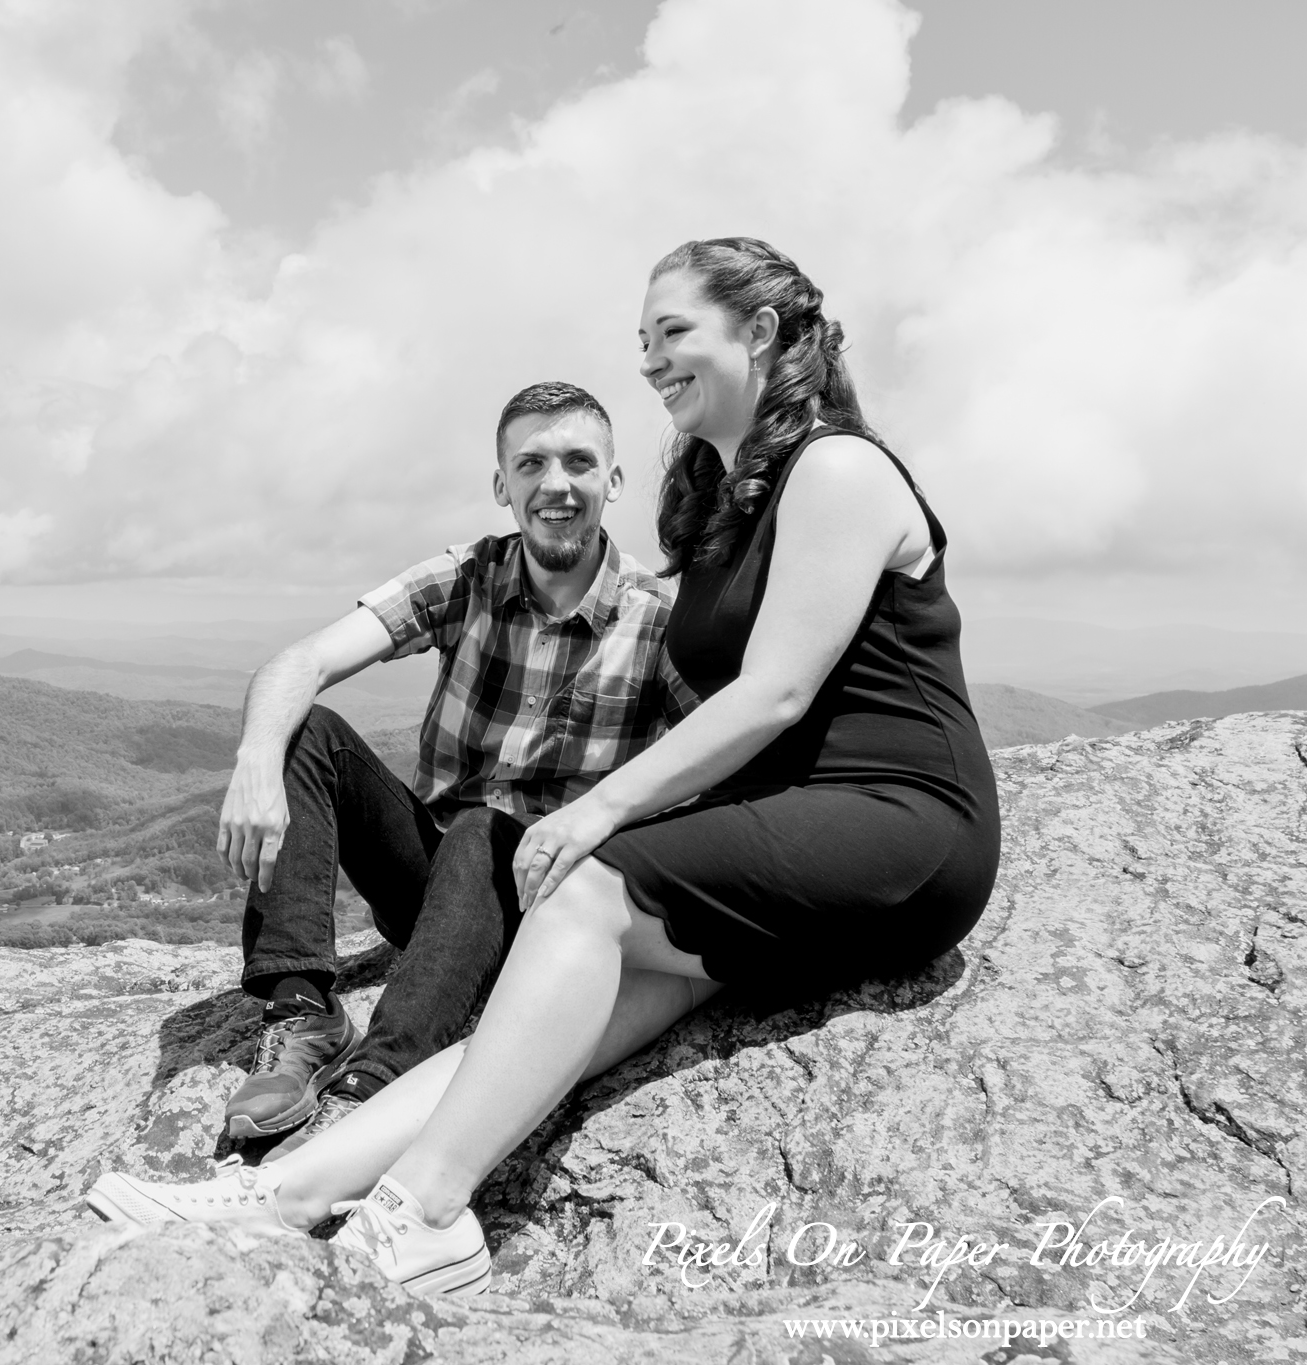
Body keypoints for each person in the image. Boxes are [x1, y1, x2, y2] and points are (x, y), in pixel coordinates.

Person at [84, 238, 1000, 1298]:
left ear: (757, 332)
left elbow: (775, 694)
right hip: (797, 840)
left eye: (673, 333)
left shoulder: (837, 467)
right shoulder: (726, 496)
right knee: (585, 1000)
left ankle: (424, 1213)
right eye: (641, 342)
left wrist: (595, 816)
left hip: (899, 820)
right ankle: (288, 1189)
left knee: (584, 884)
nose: (652, 362)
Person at [196, 381, 694, 1159]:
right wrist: (257, 759)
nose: (555, 483)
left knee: (485, 826)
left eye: (578, 461)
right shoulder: (468, 576)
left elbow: (716, 749)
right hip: (436, 891)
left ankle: (375, 1081)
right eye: (531, 463)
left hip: (550, 903)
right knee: (307, 731)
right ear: (503, 486)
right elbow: (303, 661)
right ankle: (303, 1012)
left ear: (614, 481)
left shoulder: (660, 617)